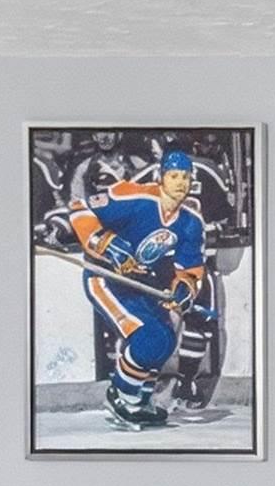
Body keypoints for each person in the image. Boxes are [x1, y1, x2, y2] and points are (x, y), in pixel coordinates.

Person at [67, 141, 210, 430]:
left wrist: (185, 288)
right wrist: (105, 243)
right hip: (105, 277)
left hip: (141, 283)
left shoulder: (191, 222)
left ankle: (141, 401)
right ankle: (120, 396)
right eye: (174, 176)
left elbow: (190, 268)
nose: (180, 183)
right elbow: (80, 207)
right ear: (161, 177)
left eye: (185, 177)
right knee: (148, 338)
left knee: (165, 340)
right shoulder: (134, 196)